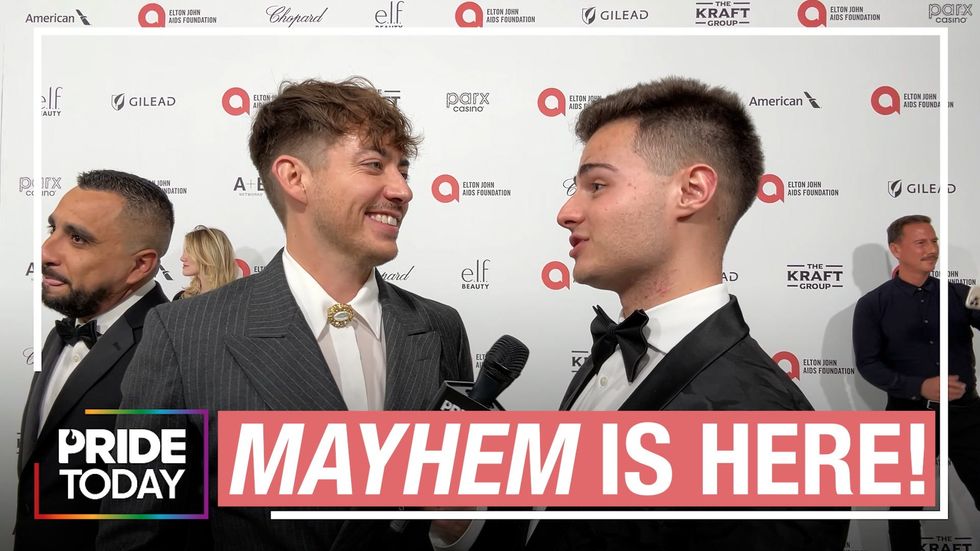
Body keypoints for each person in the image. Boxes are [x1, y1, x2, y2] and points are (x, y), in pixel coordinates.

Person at [466, 77, 849, 551]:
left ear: (692, 190)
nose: (566, 212)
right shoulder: (611, 355)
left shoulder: (773, 432)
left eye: (597, 185)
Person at [97, 78, 474, 550]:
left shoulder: (439, 327)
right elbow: (136, 535)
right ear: (295, 177)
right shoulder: (184, 333)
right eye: (374, 165)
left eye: (404, 170)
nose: (402, 190)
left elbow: (458, 515)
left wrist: (457, 528)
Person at [15, 169, 174, 551]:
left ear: (139, 265)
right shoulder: (63, 331)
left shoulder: (173, 352)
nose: (46, 252)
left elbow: (154, 518)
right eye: (53, 229)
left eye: (78, 239)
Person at [853, 214, 980, 551]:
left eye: (934, 241)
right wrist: (917, 387)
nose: (932, 249)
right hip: (907, 417)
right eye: (921, 242)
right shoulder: (873, 305)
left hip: (966, 415)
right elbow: (868, 364)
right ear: (896, 249)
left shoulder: (961, 294)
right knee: (905, 511)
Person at [174, 225, 238, 300]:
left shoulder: (239, 299)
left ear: (209, 255)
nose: (182, 258)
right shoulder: (181, 299)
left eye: (189, 251)